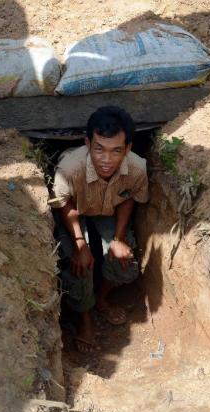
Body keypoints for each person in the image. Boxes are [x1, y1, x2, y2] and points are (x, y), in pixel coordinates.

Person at [52, 106, 149, 352]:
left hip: (106, 210)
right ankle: (84, 318)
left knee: (124, 263)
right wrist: (79, 244)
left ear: (127, 148)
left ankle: (101, 300)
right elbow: (64, 203)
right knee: (79, 268)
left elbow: (129, 197)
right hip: (75, 210)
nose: (106, 160)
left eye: (116, 151)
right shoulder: (70, 169)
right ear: (87, 143)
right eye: (99, 149)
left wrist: (118, 238)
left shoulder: (137, 168)